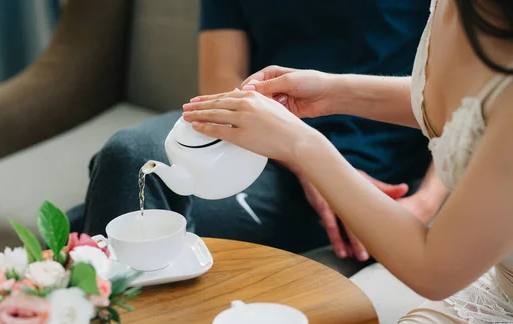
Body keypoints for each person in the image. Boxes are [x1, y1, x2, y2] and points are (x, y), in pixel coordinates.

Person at [182, 0, 513, 324]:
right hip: (497, 277)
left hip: (463, 276)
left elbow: (435, 270)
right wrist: (333, 91)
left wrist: (302, 145)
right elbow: (465, 109)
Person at [77, 0, 445, 265]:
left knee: (95, 214)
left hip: (370, 173)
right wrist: (302, 159)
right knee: (128, 155)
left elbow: (474, 106)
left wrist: (424, 204)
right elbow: (220, 80)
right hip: (261, 147)